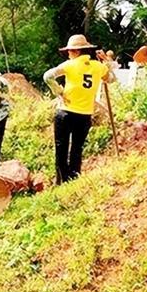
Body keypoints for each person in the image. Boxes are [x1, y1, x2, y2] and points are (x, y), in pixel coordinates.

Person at [43, 34, 115, 184]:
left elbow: (47, 76)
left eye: (69, 51)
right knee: (77, 147)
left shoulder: (69, 65)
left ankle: (61, 181)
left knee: (61, 147)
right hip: (84, 115)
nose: (68, 54)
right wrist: (107, 63)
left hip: (66, 111)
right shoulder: (97, 67)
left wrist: (59, 91)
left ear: (76, 51)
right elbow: (112, 79)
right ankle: (74, 178)